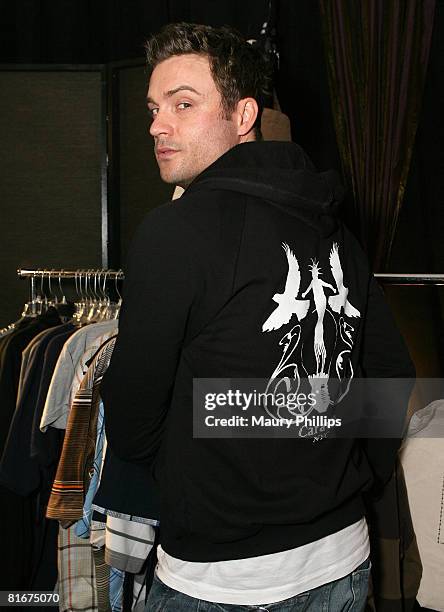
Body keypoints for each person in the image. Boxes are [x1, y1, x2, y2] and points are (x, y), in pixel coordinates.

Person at [100, 22, 415, 611]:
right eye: (152, 107)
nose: (155, 126)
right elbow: (386, 383)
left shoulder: (174, 233)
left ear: (243, 114)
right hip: (344, 558)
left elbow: (133, 425)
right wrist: (343, 474)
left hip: (220, 583)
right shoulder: (336, 229)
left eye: (182, 104)